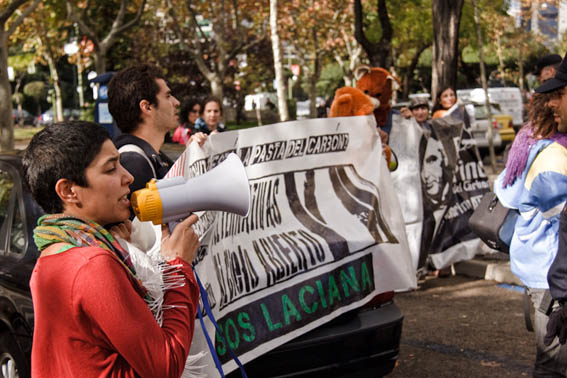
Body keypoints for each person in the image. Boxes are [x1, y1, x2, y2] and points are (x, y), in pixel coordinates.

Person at [22, 121, 201, 377]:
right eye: (111, 169)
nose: (127, 177)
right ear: (68, 190)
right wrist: (178, 266)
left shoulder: (54, 252)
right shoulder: (93, 263)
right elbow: (165, 365)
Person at [494, 52, 567, 377]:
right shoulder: (553, 155)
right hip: (552, 274)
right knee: (554, 362)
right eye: (553, 97)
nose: (554, 104)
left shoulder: (530, 144)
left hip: (541, 267)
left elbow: (506, 191)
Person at [108, 64, 206, 195]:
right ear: (147, 107)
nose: (176, 102)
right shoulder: (133, 162)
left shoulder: (153, 157)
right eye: (168, 96)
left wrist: (190, 157)